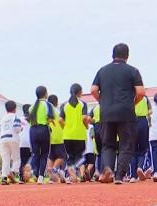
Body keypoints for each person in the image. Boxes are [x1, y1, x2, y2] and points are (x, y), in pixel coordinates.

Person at [91, 43, 145, 184]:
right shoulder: (133, 71)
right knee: (126, 144)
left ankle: (108, 168)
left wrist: (102, 102)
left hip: (107, 112)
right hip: (126, 112)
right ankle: (120, 176)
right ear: (127, 56)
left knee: (108, 144)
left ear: (112, 55)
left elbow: (93, 90)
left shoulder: (102, 71)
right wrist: (132, 103)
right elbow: (140, 92)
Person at [61, 83, 90, 183]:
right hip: (80, 134)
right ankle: (77, 171)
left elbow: (60, 120)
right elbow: (84, 118)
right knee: (80, 156)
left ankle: (70, 175)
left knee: (70, 156)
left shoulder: (64, 105)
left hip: (67, 135)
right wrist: (86, 126)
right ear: (81, 92)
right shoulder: (83, 104)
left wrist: (66, 127)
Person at [28, 86, 55, 185]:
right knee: (44, 155)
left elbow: (28, 119)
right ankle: (41, 177)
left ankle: (34, 174)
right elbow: (51, 118)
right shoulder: (48, 104)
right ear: (45, 93)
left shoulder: (31, 107)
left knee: (35, 154)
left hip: (33, 130)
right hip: (43, 130)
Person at [0, 100, 22, 185]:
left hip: (3, 139)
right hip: (13, 138)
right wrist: (21, 129)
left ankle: (4, 178)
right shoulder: (15, 117)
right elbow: (17, 128)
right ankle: (13, 173)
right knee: (16, 159)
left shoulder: (2, 119)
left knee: (5, 160)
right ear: (15, 109)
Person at [130, 95, 152, 182]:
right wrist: (144, 112)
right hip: (143, 122)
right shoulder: (145, 98)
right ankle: (140, 167)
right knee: (142, 150)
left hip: (131, 123)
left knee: (132, 151)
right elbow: (150, 111)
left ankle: (133, 176)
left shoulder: (129, 96)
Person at [47, 95, 66, 183]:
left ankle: (51, 177)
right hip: (59, 137)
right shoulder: (58, 112)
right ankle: (54, 169)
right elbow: (62, 124)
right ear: (56, 102)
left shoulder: (47, 112)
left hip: (49, 138)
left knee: (52, 157)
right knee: (62, 157)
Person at [18, 104, 32, 184]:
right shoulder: (31, 120)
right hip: (28, 143)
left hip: (20, 143)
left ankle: (21, 177)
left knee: (22, 161)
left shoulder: (19, 119)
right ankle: (27, 176)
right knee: (28, 161)